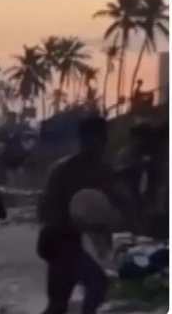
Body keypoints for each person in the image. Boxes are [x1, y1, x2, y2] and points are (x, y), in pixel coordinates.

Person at [37, 116, 116, 314]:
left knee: (59, 303)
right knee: (95, 284)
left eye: (104, 139)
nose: (102, 145)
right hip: (58, 240)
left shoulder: (102, 171)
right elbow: (45, 210)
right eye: (99, 139)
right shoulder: (65, 170)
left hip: (70, 242)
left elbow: (105, 209)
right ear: (84, 139)